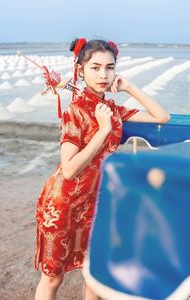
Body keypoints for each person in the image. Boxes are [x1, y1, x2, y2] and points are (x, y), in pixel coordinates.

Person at [34, 38, 170, 300]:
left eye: (110, 67)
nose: (103, 75)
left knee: (94, 273)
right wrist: (104, 129)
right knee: (52, 278)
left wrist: (129, 87)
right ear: (80, 69)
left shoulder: (111, 109)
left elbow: (161, 116)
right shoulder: (76, 111)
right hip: (62, 203)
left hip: (96, 203)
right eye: (95, 67)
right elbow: (70, 169)